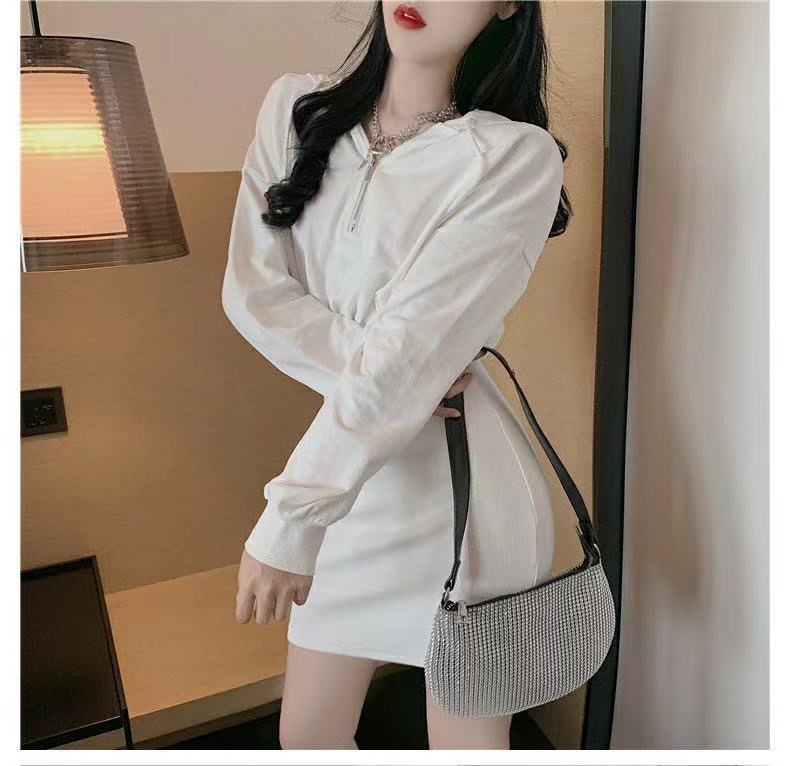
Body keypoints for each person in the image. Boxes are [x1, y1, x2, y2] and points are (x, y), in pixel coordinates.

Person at [222, 0, 570, 750]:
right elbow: (251, 294)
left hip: (466, 502)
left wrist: (290, 518)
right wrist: (395, 367)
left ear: (507, 4)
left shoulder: (513, 155)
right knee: (307, 739)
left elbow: (415, 345)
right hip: (344, 477)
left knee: (468, 750)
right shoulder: (294, 109)